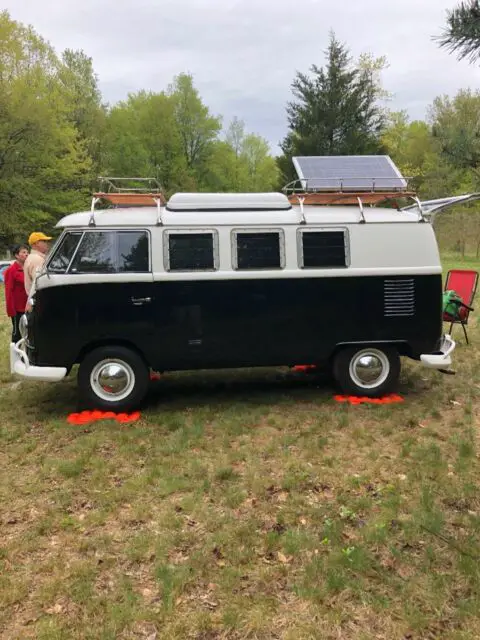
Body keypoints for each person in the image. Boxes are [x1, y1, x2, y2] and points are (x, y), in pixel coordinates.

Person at [4, 244, 29, 343]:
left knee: (27, 333)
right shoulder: (11, 271)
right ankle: (15, 355)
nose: (26, 254)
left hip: (28, 307)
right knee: (17, 334)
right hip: (17, 310)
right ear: (16, 255)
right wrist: (11, 311)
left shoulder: (27, 269)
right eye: (23, 252)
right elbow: (8, 291)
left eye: (27, 252)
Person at [24, 231, 52, 297]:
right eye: (44, 241)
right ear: (37, 243)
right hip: (40, 298)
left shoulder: (32, 257)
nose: (47, 244)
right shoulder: (37, 259)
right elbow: (41, 284)